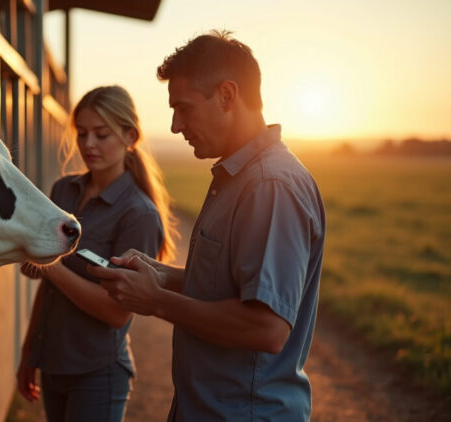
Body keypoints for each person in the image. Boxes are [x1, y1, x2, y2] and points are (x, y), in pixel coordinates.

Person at [87, 31, 326, 421]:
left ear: (227, 95)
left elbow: (266, 328)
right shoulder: (238, 176)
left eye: (183, 108)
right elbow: (227, 284)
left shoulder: (270, 186)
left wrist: (156, 301)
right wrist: (160, 274)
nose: (176, 125)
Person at [17, 85, 178, 422]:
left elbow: (117, 312)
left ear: (129, 136)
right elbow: (49, 291)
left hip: (97, 374)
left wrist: (48, 265)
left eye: (101, 134)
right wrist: (30, 350)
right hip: (53, 365)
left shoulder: (139, 213)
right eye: (83, 133)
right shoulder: (63, 189)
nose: (88, 144)